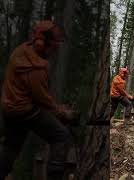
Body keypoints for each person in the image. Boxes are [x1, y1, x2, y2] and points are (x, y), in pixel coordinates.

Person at [0, 20, 77, 180]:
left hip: (10, 108)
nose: (56, 48)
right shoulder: (35, 68)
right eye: (54, 44)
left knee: (10, 149)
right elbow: (42, 99)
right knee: (61, 136)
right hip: (25, 111)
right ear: (44, 42)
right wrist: (62, 111)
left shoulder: (22, 50)